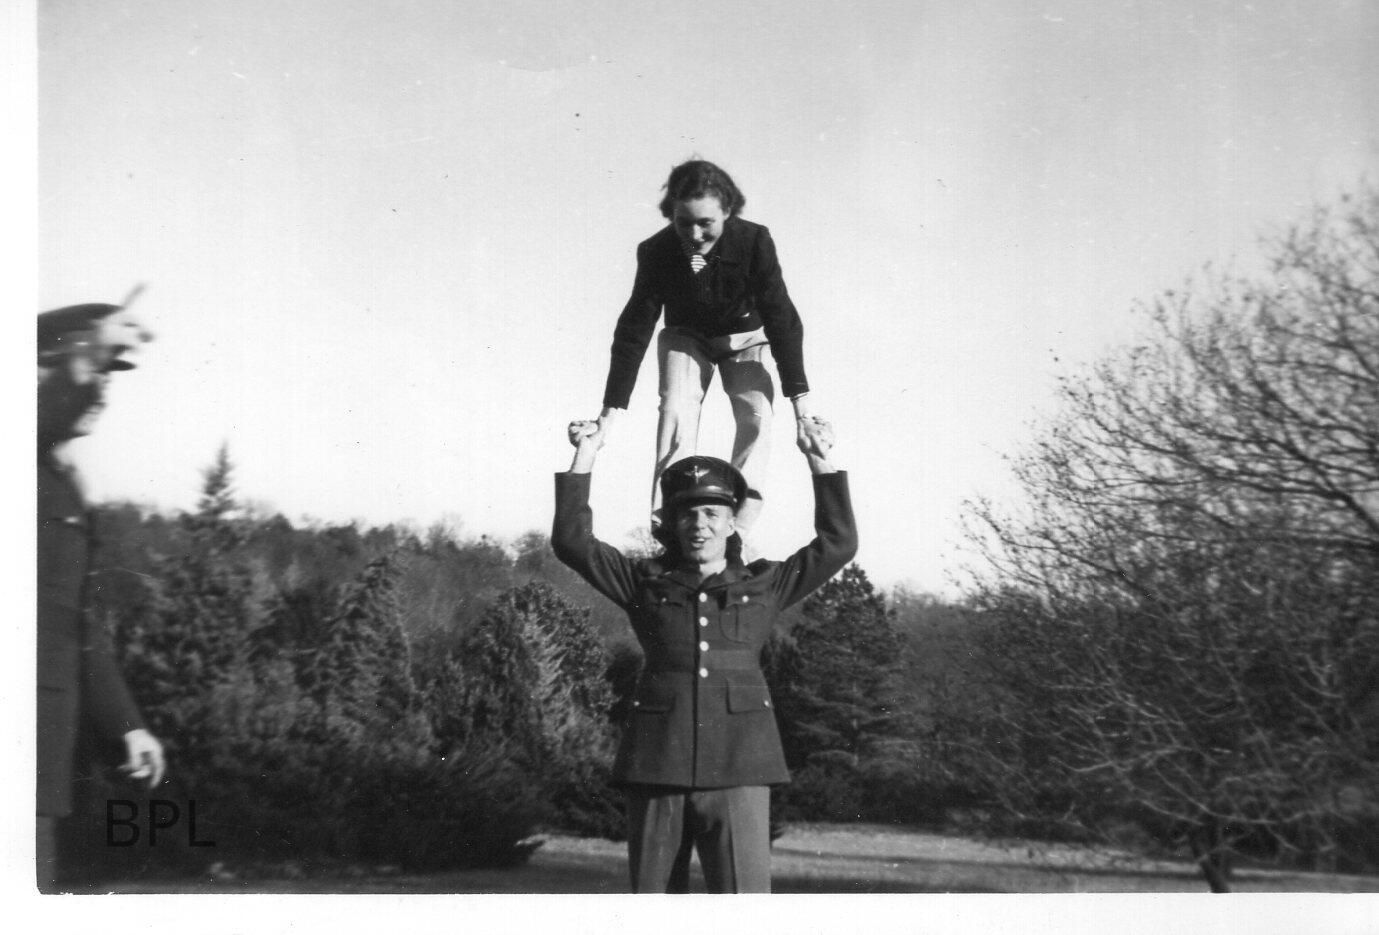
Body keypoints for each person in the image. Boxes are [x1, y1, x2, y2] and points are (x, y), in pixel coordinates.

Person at [552, 413, 856, 893]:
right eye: (688, 514)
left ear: (732, 521)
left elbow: (838, 544)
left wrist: (820, 459)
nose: (700, 525)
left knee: (742, 906)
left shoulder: (766, 583)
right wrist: (585, 455)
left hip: (741, 765)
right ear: (672, 523)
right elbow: (572, 541)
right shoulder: (642, 582)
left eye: (713, 514)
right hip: (658, 763)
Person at [585, 159, 825, 543]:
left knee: (757, 415)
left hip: (744, 337)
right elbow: (634, 328)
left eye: (706, 223)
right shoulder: (656, 251)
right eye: (684, 223)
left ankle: (736, 529)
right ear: (671, 215)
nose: (695, 235)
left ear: (727, 212)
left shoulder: (754, 241)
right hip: (688, 336)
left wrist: (803, 409)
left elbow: (782, 318)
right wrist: (608, 414)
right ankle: (670, 521)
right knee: (675, 409)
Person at [37, 299, 166, 890]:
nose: (102, 389)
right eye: (96, 369)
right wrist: (84, 358)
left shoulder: (62, 486)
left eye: (109, 374)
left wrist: (126, 725)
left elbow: (78, 625)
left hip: (40, 764)